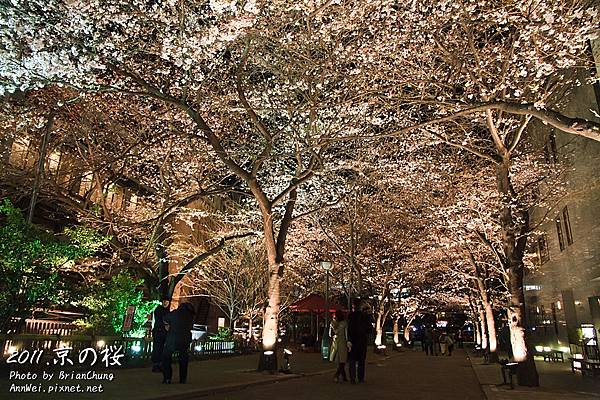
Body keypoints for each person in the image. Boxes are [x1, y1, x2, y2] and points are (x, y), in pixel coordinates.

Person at [162, 302, 195, 384]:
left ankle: (167, 378)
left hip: (173, 338)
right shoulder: (190, 316)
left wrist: (168, 325)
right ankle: (182, 379)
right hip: (185, 339)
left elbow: (165, 318)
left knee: (166, 357)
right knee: (183, 358)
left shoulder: (174, 313)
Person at [347, 298, 372, 384]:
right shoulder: (365, 316)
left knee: (352, 360)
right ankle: (360, 378)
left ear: (353, 305)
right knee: (361, 360)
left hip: (353, 340)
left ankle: (352, 378)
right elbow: (369, 329)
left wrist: (349, 340)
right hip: (362, 341)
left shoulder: (351, 316)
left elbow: (349, 329)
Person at [151, 297, 170, 372]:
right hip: (159, 331)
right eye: (165, 302)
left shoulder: (166, 310)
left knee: (161, 348)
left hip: (163, 332)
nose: (166, 303)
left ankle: (160, 364)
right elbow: (160, 320)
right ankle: (156, 365)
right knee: (157, 348)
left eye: (167, 302)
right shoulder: (159, 309)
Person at [332, 310, 349, 383]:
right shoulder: (344, 324)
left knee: (341, 361)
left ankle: (343, 376)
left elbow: (335, 332)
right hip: (343, 343)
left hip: (338, 343)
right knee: (342, 361)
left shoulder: (337, 324)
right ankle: (337, 375)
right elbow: (346, 334)